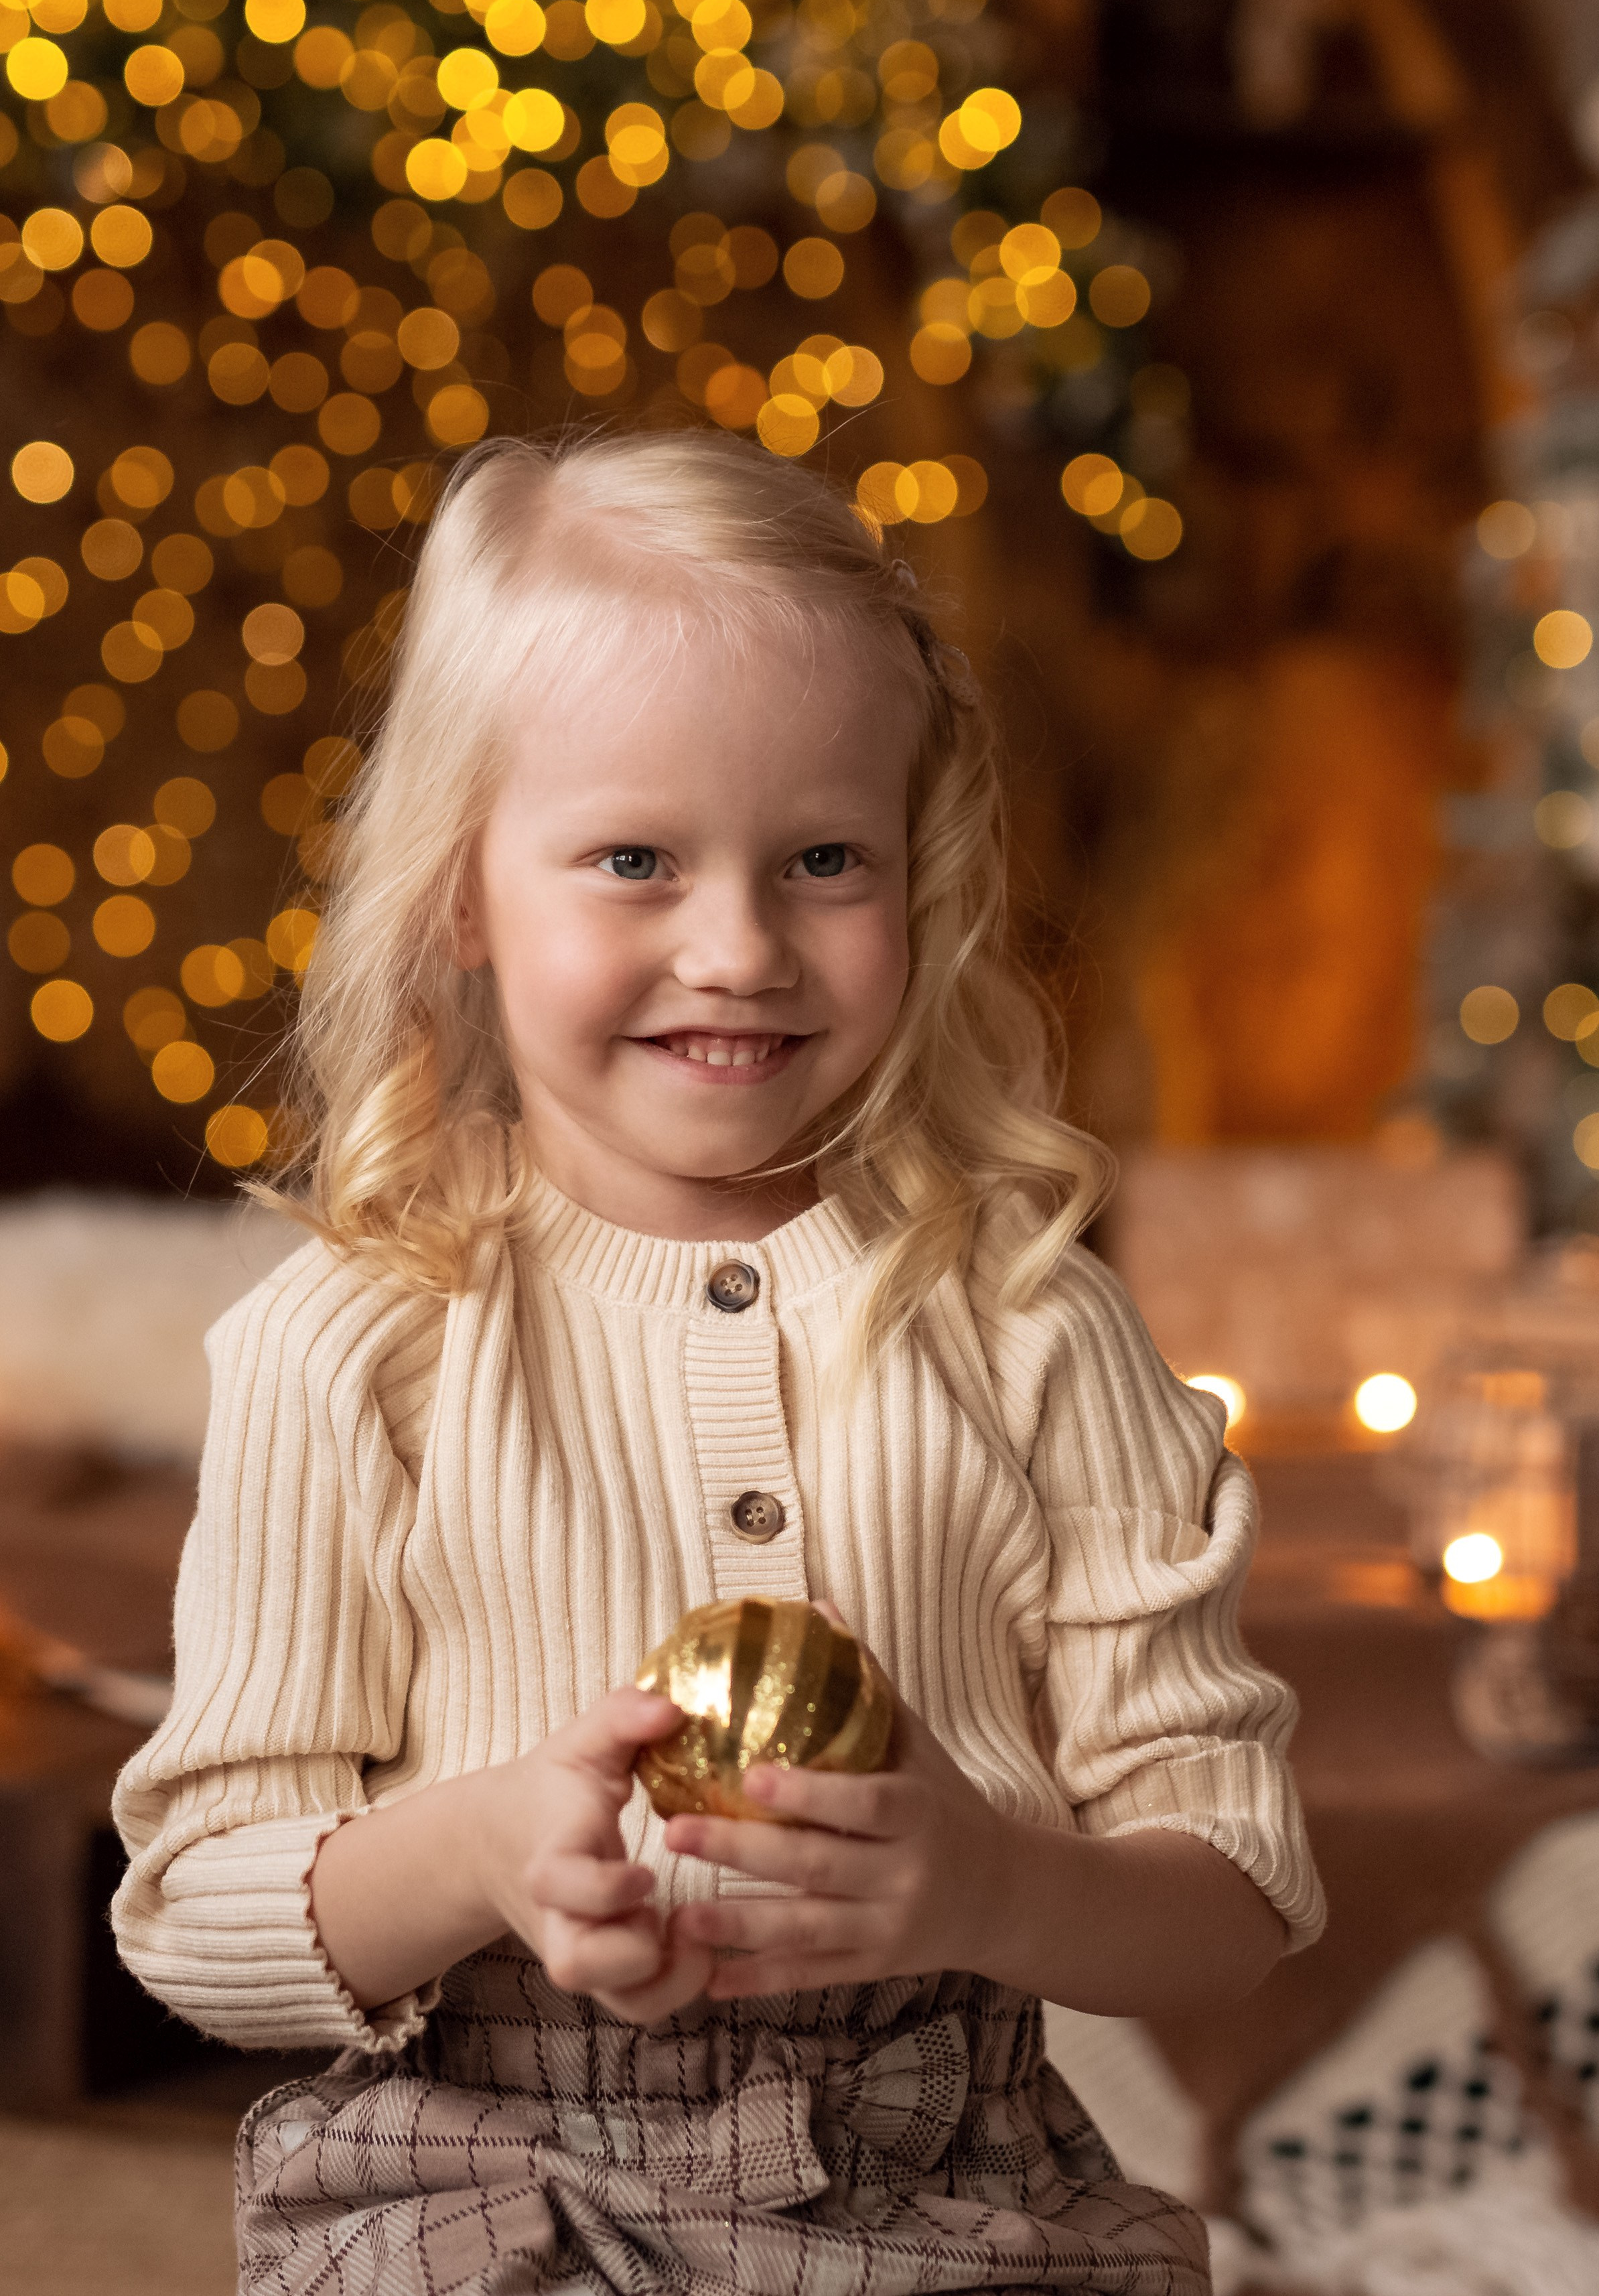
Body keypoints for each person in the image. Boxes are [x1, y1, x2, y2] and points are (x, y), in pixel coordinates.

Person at [113, 431, 1322, 2295]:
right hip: (502, 2186)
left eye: (822, 857)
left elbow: (1235, 1891)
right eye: (634, 860)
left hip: (952, 2172)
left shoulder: (1030, 1330)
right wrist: (480, 1850)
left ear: (914, 881)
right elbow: (196, 1908)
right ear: (461, 893)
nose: (740, 945)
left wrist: (991, 1883)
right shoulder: (351, 1350)